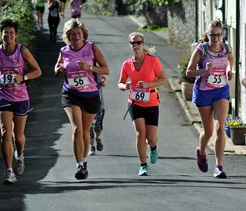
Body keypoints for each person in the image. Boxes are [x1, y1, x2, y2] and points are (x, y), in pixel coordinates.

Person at [0, 19, 42, 184]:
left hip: (21, 97)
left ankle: (21, 155)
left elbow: (37, 71)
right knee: (5, 133)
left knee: (18, 136)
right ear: (1, 34)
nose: (8, 35)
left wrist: (22, 77)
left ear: (15, 35)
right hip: (2, 95)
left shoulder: (22, 51)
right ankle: (9, 172)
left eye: (11, 32)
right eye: (5, 32)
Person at [54, 18, 109, 180]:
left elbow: (106, 69)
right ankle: (79, 164)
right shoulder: (64, 51)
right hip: (71, 94)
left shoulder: (92, 48)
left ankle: (83, 162)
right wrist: (59, 69)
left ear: (83, 35)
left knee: (85, 132)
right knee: (77, 129)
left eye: (78, 33)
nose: (76, 36)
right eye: (72, 34)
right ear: (68, 36)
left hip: (90, 95)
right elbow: (57, 67)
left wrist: (89, 67)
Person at [185, 20, 234, 179]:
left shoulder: (226, 48)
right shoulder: (201, 50)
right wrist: (204, 71)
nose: (216, 38)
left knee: (220, 127)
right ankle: (201, 151)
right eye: (212, 35)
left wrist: (229, 70)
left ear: (222, 35)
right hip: (204, 92)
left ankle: (218, 167)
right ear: (207, 35)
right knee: (208, 131)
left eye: (219, 34)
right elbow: (189, 72)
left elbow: (231, 60)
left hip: (221, 91)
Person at [118, 32, 167, 176]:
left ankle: (153, 147)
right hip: (135, 103)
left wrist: (148, 84)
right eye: (133, 43)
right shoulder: (127, 64)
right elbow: (120, 83)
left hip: (151, 102)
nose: (136, 45)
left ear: (143, 44)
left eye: (138, 42)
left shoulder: (153, 61)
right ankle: (143, 165)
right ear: (130, 45)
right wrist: (124, 86)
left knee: (150, 138)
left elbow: (163, 79)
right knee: (140, 134)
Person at [89, 74, 107, 155]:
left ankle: (98, 139)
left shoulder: (96, 71)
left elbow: (104, 78)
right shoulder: (80, 72)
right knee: (89, 128)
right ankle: (92, 147)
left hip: (98, 103)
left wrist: (104, 82)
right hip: (85, 104)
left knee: (97, 125)